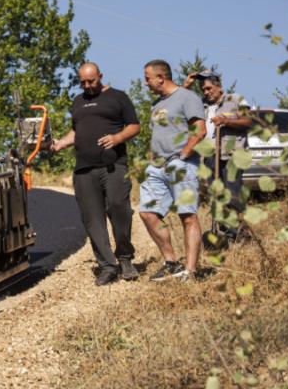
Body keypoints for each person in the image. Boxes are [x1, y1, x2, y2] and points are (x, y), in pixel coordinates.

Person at [50, 62, 141, 285]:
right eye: (83, 82)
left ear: (100, 76)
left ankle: (125, 258)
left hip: (114, 165)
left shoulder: (118, 97)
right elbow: (77, 129)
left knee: (120, 208)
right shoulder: (78, 102)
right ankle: (107, 266)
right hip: (84, 169)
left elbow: (134, 126)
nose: (87, 86)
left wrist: (117, 138)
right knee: (92, 219)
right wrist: (62, 143)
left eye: (92, 81)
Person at [139, 59, 207, 281]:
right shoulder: (157, 104)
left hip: (181, 164)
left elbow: (200, 130)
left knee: (187, 216)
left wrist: (185, 153)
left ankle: (190, 270)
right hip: (156, 167)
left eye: (147, 78)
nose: (145, 82)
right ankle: (171, 263)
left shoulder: (188, 97)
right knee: (147, 213)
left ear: (161, 77)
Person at [185, 70, 253, 244]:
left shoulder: (236, 99)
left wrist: (226, 121)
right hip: (210, 156)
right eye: (203, 90)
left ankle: (240, 232)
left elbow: (249, 121)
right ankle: (226, 231)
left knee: (232, 194)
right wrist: (186, 86)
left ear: (218, 86)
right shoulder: (201, 104)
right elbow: (181, 103)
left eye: (209, 88)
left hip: (232, 155)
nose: (206, 92)